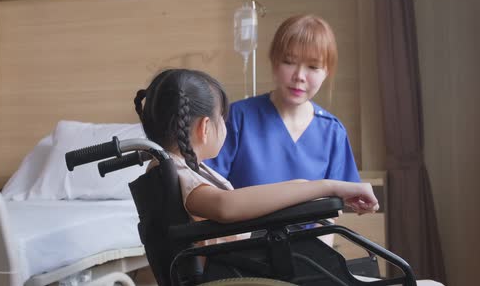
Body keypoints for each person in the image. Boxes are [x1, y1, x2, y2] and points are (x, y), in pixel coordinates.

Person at [133, 68, 378, 227]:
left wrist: (316, 188)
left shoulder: (177, 168)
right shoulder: (177, 174)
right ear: (205, 127)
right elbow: (226, 205)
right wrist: (328, 185)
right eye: (223, 118)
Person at [205, 14, 360, 189]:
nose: (299, 76)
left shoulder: (332, 132)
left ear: (326, 72)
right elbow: (207, 189)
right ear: (274, 61)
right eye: (289, 62)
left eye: (313, 67)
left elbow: (339, 204)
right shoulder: (238, 118)